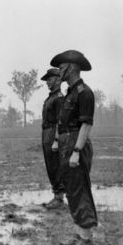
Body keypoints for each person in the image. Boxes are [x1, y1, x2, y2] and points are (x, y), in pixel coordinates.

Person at [50, 50, 98, 245]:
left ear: (71, 68)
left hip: (76, 143)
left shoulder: (84, 92)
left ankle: (86, 240)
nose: (59, 71)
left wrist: (77, 150)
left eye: (62, 67)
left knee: (80, 190)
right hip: (66, 142)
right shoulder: (70, 92)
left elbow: (86, 125)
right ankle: (80, 234)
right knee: (72, 190)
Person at [40, 68, 66, 209]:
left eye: (50, 79)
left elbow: (60, 122)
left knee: (55, 165)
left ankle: (59, 197)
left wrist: (56, 140)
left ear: (58, 79)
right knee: (50, 165)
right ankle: (56, 195)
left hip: (53, 133)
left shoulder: (59, 98)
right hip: (46, 132)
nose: (47, 82)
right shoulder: (51, 97)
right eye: (47, 80)